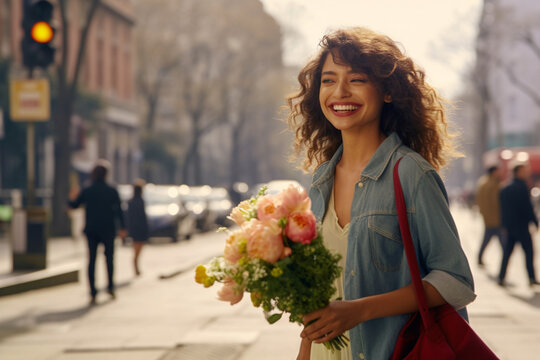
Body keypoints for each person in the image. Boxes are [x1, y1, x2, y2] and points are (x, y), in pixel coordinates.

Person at [286, 27, 476, 360]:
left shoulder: (412, 174)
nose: (339, 92)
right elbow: (319, 298)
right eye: (328, 80)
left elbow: (456, 281)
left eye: (356, 80)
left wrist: (360, 310)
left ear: (387, 92)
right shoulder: (320, 180)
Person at [68, 160, 127, 305]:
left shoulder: (88, 189)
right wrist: (123, 227)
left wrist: (72, 196)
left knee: (92, 260)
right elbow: (119, 210)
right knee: (109, 259)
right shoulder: (112, 189)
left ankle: (93, 291)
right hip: (108, 228)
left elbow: (74, 205)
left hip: (92, 229)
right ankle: (111, 287)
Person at [497, 164, 539, 287]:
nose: (527, 173)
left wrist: (504, 225)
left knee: (507, 252)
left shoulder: (504, 188)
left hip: (510, 226)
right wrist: (535, 222)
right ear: (518, 172)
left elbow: (502, 209)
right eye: (524, 171)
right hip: (522, 226)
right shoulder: (522, 187)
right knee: (529, 252)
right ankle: (531, 278)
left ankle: (501, 277)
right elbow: (527, 208)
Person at [475, 165, 504, 266]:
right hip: (494, 218)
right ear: (494, 172)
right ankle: (505, 262)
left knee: (487, 239)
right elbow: (496, 202)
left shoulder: (483, 182)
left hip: (488, 217)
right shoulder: (492, 183)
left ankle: (479, 257)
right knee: (503, 243)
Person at [127, 179, 149, 276]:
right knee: (138, 249)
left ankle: (136, 266)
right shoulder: (140, 201)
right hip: (140, 228)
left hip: (134, 229)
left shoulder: (131, 202)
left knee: (136, 249)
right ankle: (136, 266)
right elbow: (143, 217)